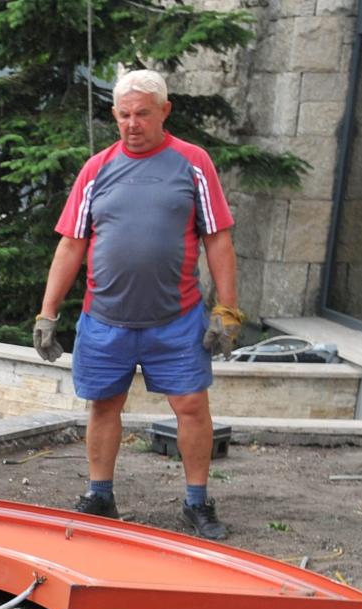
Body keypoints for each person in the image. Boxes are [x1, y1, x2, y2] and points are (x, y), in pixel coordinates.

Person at [33, 68, 243, 540]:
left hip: (177, 317)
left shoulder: (193, 163)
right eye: (124, 114)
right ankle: (100, 495)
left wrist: (226, 310)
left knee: (191, 406)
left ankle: (197, 502)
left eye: (143, 114)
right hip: (105, 319)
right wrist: (48, 313)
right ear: (114, 115)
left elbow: (218, 240)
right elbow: (70, 245)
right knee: (104, 405)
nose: (132, 123)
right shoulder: (96, 169)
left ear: (164, 112)